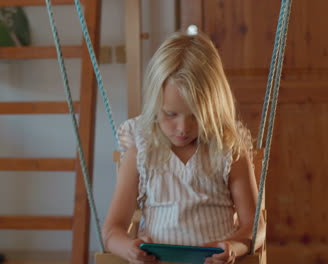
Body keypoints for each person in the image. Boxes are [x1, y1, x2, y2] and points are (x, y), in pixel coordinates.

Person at [102, 31, 266, 264]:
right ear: (154, 104)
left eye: (196, 117)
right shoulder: (142, 151)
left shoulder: (227, 149)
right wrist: (127, 247)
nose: (182, 128)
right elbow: (111, 230)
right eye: (171, 114)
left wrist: (234, 247)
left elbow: (255, 226)